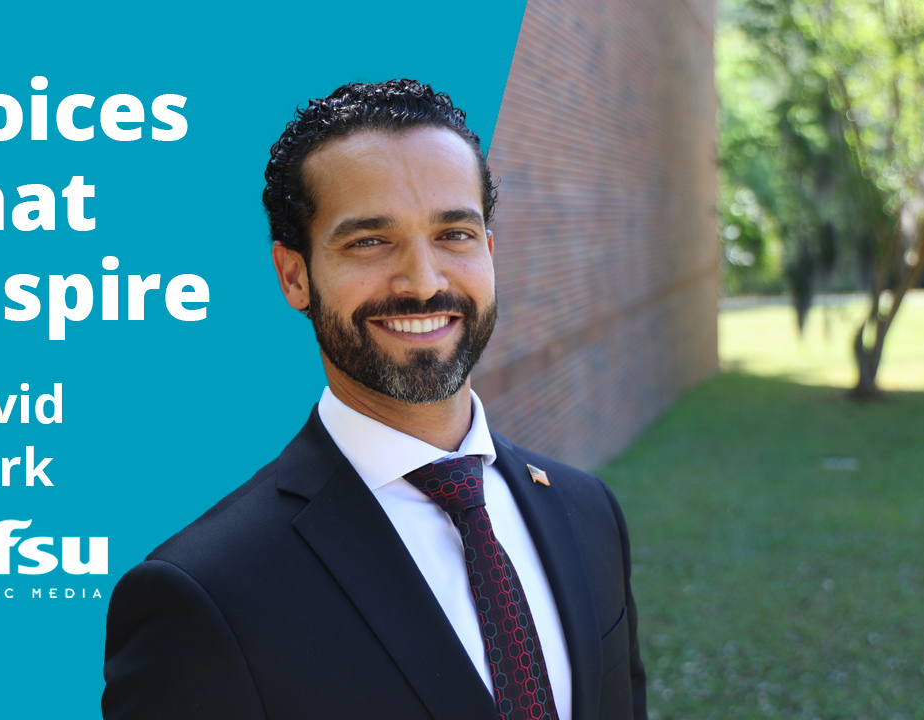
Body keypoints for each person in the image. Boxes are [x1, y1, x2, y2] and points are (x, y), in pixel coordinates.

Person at [102, 79, 646, 720]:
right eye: (369, 241)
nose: (423, 282)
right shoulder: (203, 593)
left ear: (489, 251)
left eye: (455, 235)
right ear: (294, 275)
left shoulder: (588, 513)